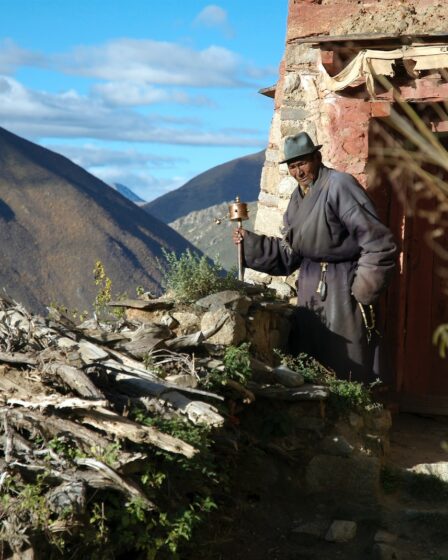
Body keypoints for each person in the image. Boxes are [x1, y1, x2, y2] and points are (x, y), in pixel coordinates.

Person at [233, 132, 397, 383]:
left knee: (347, 365)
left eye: (303, 163)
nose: (299, 172)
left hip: (343, 286)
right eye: (293, 166)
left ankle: (354, 416)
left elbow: (378, 243)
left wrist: (362, 291)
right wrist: (250, 244)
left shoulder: (340, 185)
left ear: (317, 157)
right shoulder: (298, 199)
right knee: (311, 364)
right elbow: (290, 254)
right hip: (310, 289)